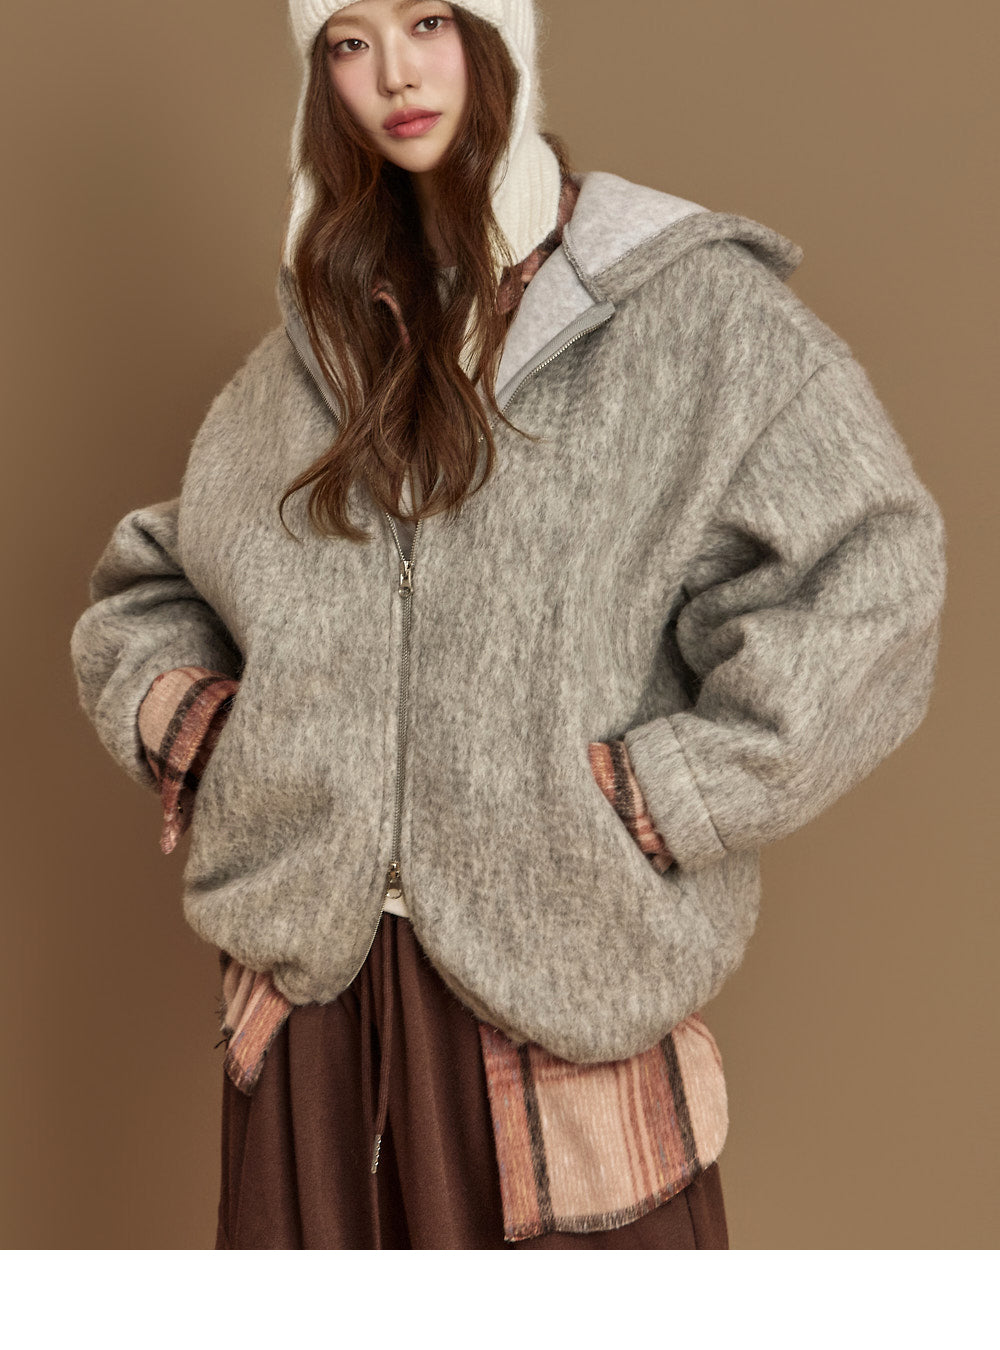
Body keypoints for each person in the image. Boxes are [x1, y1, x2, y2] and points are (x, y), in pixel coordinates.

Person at [68, 0, 947, 1249]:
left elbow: (875, 568)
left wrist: (678, 791)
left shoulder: (691, 316)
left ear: (500, 35)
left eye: (427, 19)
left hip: (557, 1002)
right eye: (348, 40)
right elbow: (151, 587)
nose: (394, 73)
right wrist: (216, 736)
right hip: (313, 1010)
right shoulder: (316, 352)